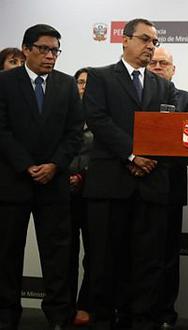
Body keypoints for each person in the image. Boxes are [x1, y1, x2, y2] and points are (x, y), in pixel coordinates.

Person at [83, 18, 177, 330]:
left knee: (147, 263)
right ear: (125, 40)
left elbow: (168, 131)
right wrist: (133, 155)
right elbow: (97, 119)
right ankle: (102, 319)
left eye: (155, 42)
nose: (151, 46)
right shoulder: (100, 78)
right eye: (145, 39)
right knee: (105, 261)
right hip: (111, 184)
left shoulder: (164, 86)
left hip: (151, 186)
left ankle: (140, 320)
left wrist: (149, 158)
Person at [0, 24, 83, 330]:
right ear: (26, 49)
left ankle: (59, 315)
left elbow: (75, 133)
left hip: (54, 182)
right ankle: (7, 314)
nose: (50, 56)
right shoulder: (5, 82)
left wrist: (54, 165)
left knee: (58, 255)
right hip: (12, 181)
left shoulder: (65, 85)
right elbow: (2, 130)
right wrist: (26, 165)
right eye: (44, 49)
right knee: (7, 253)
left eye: (55, 51)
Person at [147, 47, 188, 329]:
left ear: (173, 69)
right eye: (153, 62)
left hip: (169, 187)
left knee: (167, 257)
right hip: (136, 183)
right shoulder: (138, 94)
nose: (157, 66)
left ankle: (165, 313)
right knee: (137, 253)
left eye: (163, 63)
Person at [68, 67, 93, 327]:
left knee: (95, 253)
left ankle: (86, 303)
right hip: (62, 191)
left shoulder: (102, 116)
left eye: (89, 82)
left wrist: (83, 177)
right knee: (65, 253)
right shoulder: (62, 113)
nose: (84, 86)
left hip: (94, 192)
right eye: (81, 82)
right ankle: (64, 306)